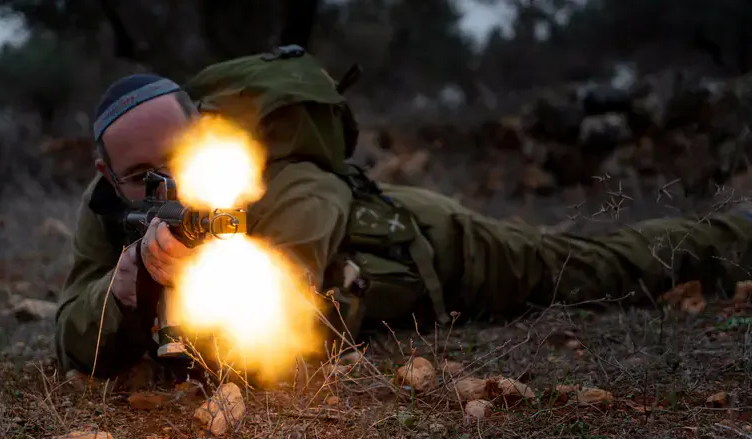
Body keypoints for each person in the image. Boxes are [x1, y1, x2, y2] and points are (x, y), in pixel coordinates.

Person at [55, 49, 752, 380]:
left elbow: (286, 320)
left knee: (597, 266)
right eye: (144, 178)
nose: (165, 187)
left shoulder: (270, 174)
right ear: (108, 174)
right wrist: (128, 286)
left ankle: (732, 235)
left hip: (430, 244)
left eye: (178, 160)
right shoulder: (112, 208)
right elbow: (69, 336)